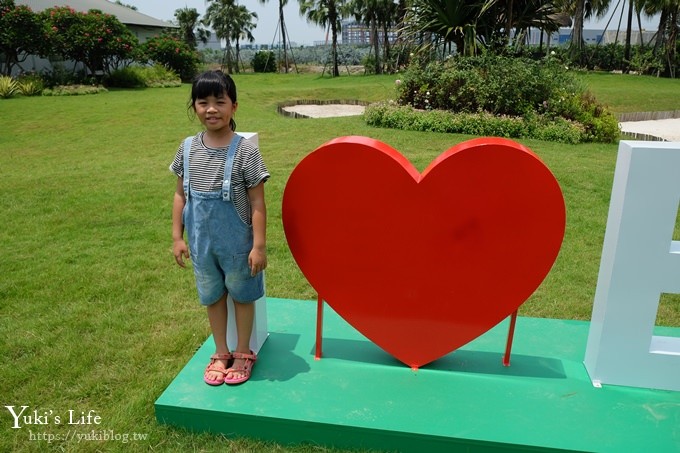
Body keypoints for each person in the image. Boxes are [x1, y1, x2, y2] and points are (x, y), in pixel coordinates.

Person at [170, 70, 269, 386]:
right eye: (203, 102)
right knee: (212, 296)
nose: (211, 109)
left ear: (234, 107)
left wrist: (259, 245)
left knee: (242, 295)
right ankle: (221, 350)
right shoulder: (187, 148)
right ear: (194, 107)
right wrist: (177, 236)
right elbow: (180, 194)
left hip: (238, 243)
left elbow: (257, 203)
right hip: (202, 244)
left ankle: (242, 351)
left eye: (219, 101)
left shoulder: (245, 151)